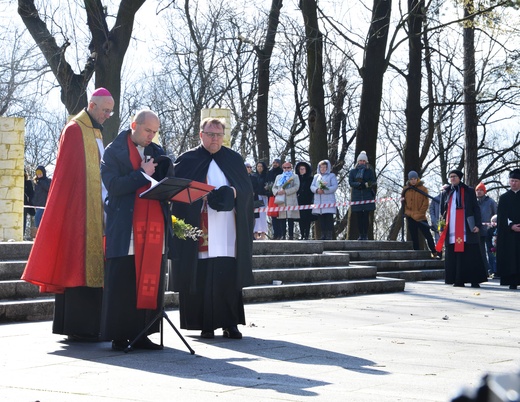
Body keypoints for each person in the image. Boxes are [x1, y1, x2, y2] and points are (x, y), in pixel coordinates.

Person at [21, 87, 114, 341]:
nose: (108, 115)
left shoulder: (95, 131)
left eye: (110, 111)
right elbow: (69, 177)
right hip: (78, 212)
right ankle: (77, 327)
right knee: (76, 264)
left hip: (94, 208)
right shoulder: (74, 129)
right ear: (92, 106)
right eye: (105, 110)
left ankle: (91, 326)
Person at [170, 117, 254, 340]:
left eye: (219, 135)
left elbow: (247, 191)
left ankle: (230, 323)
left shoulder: (234, 159)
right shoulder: (187, 160)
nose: (215, 139)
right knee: (201, 273)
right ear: (201, 135)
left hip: (228, 228)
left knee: (227, 273)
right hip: (200, 226)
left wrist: (233, 194)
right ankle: (204, 324)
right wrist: (200, 197)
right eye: (210, 134)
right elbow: (177, 194)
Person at [100, 109, 173, 351]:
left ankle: (143, 333)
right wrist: (141, 174)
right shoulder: (113, 152)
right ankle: (119, 336)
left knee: (149, 278)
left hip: (153, 224)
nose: (151, 136)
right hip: (125, 225)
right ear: (134, 125)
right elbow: (114, 186)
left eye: (155, 132)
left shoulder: (156, 151)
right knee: (124, 280)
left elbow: (164, 181)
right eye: (147, 130)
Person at [435, 169, 487, 288]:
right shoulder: (446, 193)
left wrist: (478, 225)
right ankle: (457, 280)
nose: (452, 179)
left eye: (454, 176)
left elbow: (476, 209)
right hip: (451, 227)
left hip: (466, 228)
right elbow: (441, 212)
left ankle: (474, 280)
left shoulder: (468, 191)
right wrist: (441, 227)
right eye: (450, 177)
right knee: (454, 254)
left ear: (459, 178)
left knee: (471, 254)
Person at [401, 171, 439, 257]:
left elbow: (425, 203)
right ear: (409, 180)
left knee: (428, 235)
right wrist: (409, 213)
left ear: (417, 179)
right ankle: (417, 253)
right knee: (414, 236)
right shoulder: (405, 189)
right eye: (411, 179)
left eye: (415, 179)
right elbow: (404, 204)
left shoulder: (423, 189)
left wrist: (419, 213)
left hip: (421, 216)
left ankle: (434, 252)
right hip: (410, 216)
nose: (413, 181)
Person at [496, 169, 520, 290]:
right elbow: (501, 216)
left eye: (516, 181)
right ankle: (512, 281)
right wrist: (511, 226)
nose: (514, 183)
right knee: (511, 257)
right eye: (512, 181)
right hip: (509, 233)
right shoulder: (504, 198)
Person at [348, 151, 376, 240]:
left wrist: (366, 185)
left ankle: (366, 234)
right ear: (358, 161)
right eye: (360, 161)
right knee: (359, 217)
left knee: (366, 216)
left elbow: (374, 181)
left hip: (367, 195)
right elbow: (351, 182)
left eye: (364, 161)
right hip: (357, 196)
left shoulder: (370, 171)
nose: (362, 162)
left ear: (366, 162)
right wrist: (358, 185)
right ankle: (360, 234)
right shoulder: (353, 172)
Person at [310, 160, 338, 240]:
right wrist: (317, 190)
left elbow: (334, 186)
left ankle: (329, 235)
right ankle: (323, 234)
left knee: (328, 219)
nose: (322, 169)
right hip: (318, 201)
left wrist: (325, 190)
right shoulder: (316, 176)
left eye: (324, 167)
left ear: (327, 167)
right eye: (321, 167)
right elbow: (312, 186)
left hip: (328, 201)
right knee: (321, 220)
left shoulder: (331, 176)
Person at [272, 162, 300, 240]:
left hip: (291, 199)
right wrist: (277, 192)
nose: (286, 169)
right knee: (282, 218)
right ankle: (283, 235)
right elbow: (274, 188)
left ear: (291, 168)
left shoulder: (295, 176)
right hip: (281, 199)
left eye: (288, 168)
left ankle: (291, 235)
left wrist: (286, 191)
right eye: (285, 168)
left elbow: (296, 187)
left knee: (291, 218)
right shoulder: (279, 177)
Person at [475, 182, 498, 277]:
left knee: (491, 251)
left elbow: (497, 214)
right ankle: (485, 270)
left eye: (481, 190)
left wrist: (495, 225)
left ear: (485, 191)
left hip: (490, 232)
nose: (479, 192)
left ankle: (494, 270)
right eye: (477, 190)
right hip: (477, 231)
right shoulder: (474, 202)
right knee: (481, 252)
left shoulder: (491, 202)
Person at [295, 161, 314, 240]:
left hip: (308, 200)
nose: (301, 170)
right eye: (300, 169)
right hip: (299, 201)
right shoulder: (296, 179)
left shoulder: (310, 179)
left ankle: (306, 234)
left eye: (303, 169)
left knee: (307, 219)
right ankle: (302, 234)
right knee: (300, 219)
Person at [267, 158, 283, 239]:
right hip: (272, 196)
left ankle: (281, 234)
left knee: (280, 215)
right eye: (274, 162)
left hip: (280, 195)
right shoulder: (269, 172)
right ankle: (275, 234)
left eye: (276, 162)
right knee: (273, 216)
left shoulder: (281, 172)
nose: (275, 164)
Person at [252, 161, 269, 240]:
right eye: (258, 166)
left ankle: (263, 233)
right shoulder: (253, 176)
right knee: (256, 216)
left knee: (263, 216)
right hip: (256, 197)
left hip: (264, 197)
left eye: (261, 166)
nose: (259, 168)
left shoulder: (266, 176)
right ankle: (255, 233)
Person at [23, 171, 35, 239]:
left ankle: (22, 234)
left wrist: (31, 203)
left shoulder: (28, 183)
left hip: (25, 204)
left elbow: (31, 194)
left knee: (24, 219)